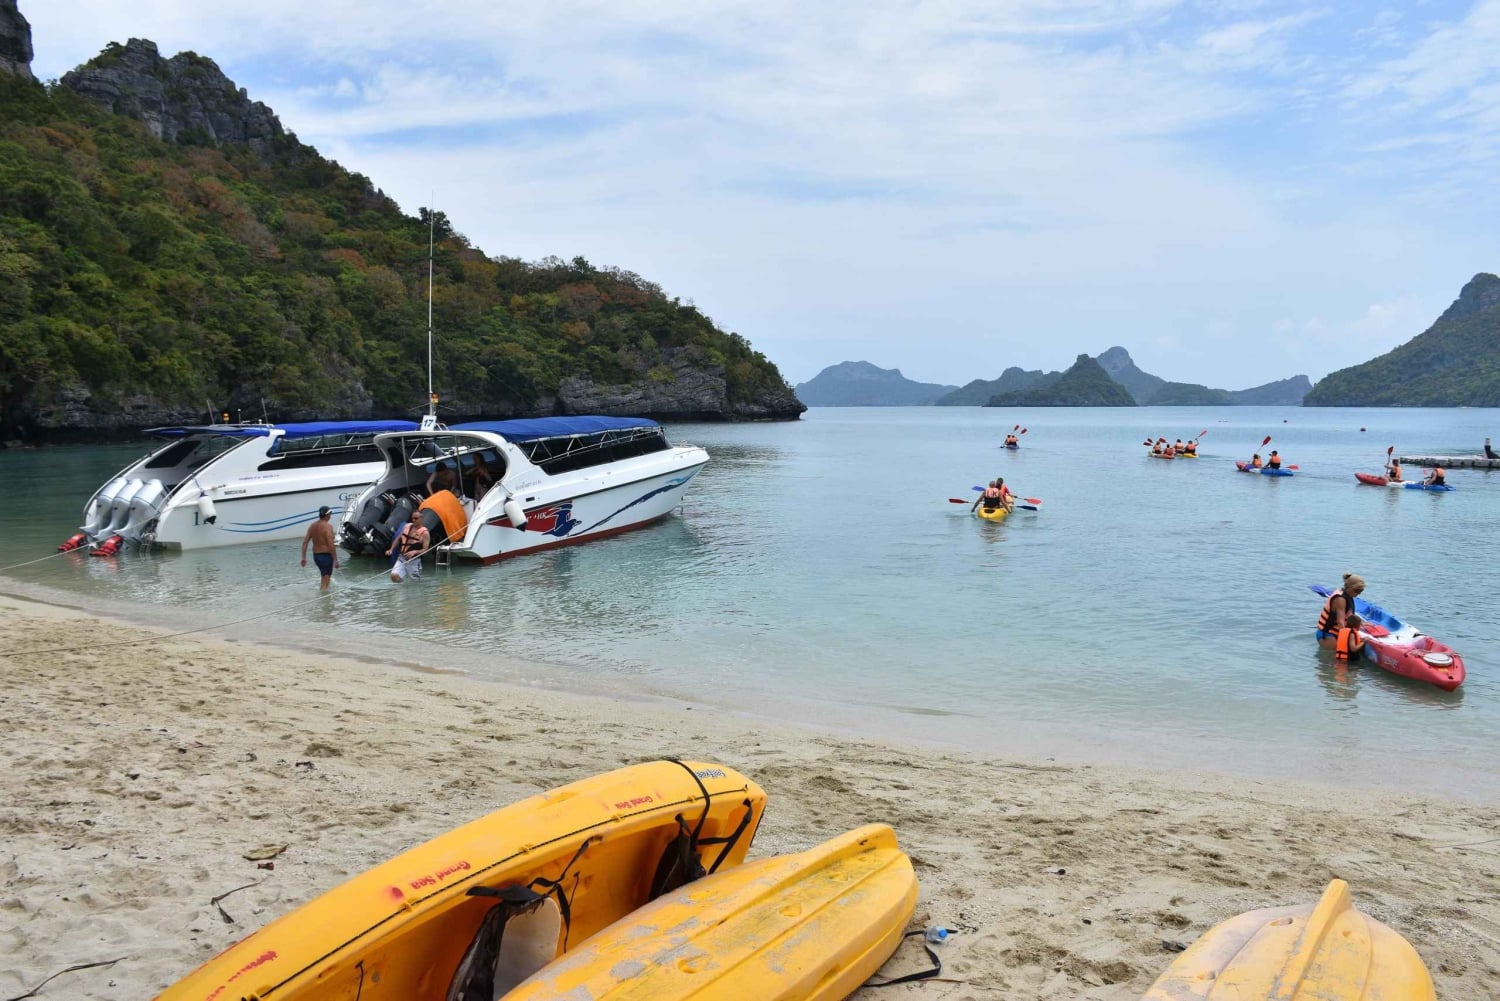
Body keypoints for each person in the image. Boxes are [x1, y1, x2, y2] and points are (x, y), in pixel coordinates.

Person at [1316, 573, 1365, 649]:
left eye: (1360, 591)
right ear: (1349, 588)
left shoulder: (1347, 595)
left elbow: (1349, 615)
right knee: (1334, 659)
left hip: (1336, 632)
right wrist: (1351, 638)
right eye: (1357, 590)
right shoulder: (1340, 599)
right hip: (1328, 634)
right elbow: (1340, 623)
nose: (1358, 593)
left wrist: (1361, 623)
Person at [300, 505, 339, 590]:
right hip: (326, 556)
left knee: (324, 577)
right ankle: (324, 601)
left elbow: (305, 542)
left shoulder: (312, 526)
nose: (330, 515)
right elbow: (330, 544)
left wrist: (303, 557)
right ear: (327, 515)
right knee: (326, 579)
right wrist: (335, 559)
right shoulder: (328, 526)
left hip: (316, 556)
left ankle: (324, 599)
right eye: (330, 514)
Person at [387, 514, 430, 583]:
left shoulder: (425, 533)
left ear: (421, 519)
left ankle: (412, 591)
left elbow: (425, 550)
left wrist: (415, 552)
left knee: (415, 583)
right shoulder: (407, 527)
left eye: (416, 518)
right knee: (394, 576)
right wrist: (391, 549)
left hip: (414, 561)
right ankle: (402, 590)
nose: (413, 520)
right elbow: (398, 539)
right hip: (401, 558)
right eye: (412, 518)